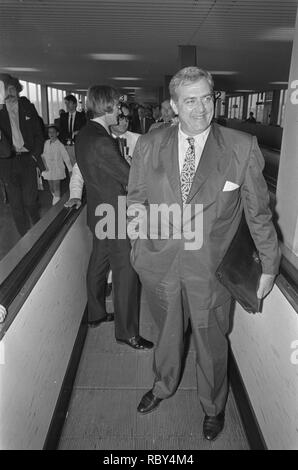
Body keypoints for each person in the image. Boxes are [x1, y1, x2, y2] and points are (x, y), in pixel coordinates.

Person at [127, 66, 280, 440]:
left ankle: (213, 406)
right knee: (165, 333)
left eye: (206, 99)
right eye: (190, 100)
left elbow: (259, 212)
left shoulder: (241, 147)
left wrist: (270, 265)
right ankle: (163, 384)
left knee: (211, 342)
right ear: (174, 105)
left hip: (210, 270)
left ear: (215, 100)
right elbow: (136, 201)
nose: (200, 108)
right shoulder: (149, 145)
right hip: (159, 264)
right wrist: (137, 248)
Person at [75, 85, 153, 350]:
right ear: (107, 106)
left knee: (99, 263)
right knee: (126, 272)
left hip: (99, 213)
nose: (121, 110)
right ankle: (127, 332)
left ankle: (96, 314)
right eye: (118, 106)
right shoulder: (101, 140)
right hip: (114, 217)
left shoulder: (86, 133)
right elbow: (130, 179)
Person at [0, 73, 45, 236]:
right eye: (6, 89)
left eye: (12, 89)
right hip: (6, 162)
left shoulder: (26, 105)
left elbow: (39, 134)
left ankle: (38, 231)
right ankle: (24, 238)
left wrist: (34, 156)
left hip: (27, 159)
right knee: (16, 205)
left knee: (30, 201)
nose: (10, 93)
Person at [41, 125, 73, 205]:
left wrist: (70, 170)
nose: (51, 134)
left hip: (57, 168)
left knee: (56, 186)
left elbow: (66, 158)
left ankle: (56, 204)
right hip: (48, 168)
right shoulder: (46, 143)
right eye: (49, 132)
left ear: (57, 133)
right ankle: (55, 197)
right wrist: (42, 166)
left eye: (53, 132)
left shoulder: (60, 145)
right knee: (51, 187)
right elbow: (43, 155)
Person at [59, 94, 86, 165]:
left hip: (77, 145)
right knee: (67, 166)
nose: (67, 105)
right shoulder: (63, 116)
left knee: (77, 165)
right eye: (66, 103)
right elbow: (61, 130)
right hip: (66, 145)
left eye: (69, 103)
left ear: (75, 104)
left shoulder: (82, 116)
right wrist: (71, 135)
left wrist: (79, 132)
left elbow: (85, 130)